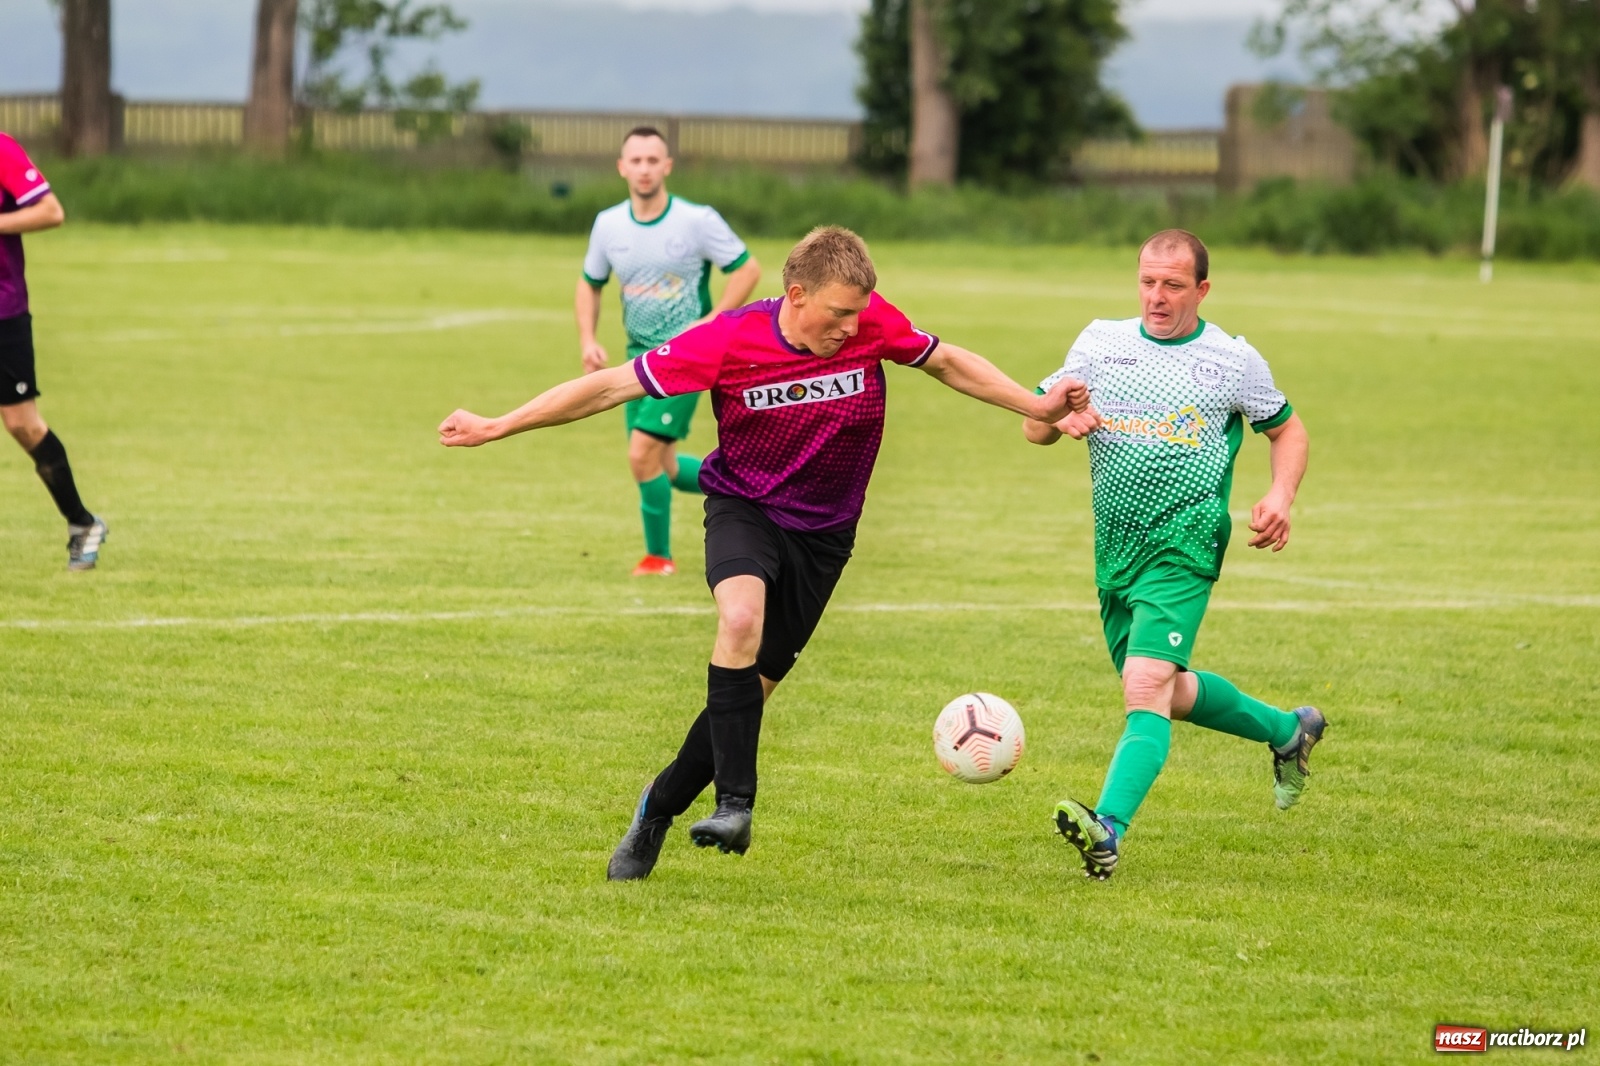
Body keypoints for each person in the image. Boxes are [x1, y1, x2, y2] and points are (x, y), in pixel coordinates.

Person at [441, 226, 1087, 881]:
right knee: (740, 620)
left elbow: (947, 361)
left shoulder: (871, 325)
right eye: (838, 313)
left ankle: (656, 809)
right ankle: (736, 805)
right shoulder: (729, 340)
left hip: (825, 537)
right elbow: (610, 388)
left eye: (859, 313)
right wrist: (499, 424)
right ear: (797, 295)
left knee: (748, 696)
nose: (850, 326)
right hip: (744, 508)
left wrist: (1036, 407)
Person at [1025, 229, 1323, 881]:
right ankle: (1286, 731)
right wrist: (1058, 416)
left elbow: (1287, 428)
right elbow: (1033, 423)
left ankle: (1107, 829)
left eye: (1173, 285)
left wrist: (1280, 493)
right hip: (1117, 548)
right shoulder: (1100, 343)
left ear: (1202, 290)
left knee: (1143, 683)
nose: (1157, 297)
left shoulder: (1231, 360)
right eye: (1147, 282)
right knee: (1166, 692)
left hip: (1184, 543)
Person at [577, 126, 762, 576]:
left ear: (667, 166)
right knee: (660, 463)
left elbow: (747, 269)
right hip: (635, 357)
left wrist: (715, 318)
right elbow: (590, 283)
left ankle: (658, 558)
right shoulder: (609, 224)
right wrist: (588, 339)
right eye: (635, 161)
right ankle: (753, 490)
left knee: (641, 453)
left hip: (686, 358)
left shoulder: (696, 220)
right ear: (622, 167)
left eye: (652, 160)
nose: (644, 169)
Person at [0, 132, 106, 571]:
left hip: (4, 311)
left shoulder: (3, 150)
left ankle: (82, 524)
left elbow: (51, 211)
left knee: (22, 424)